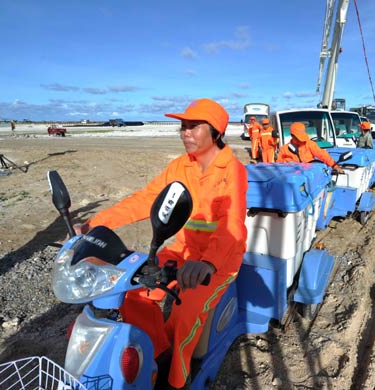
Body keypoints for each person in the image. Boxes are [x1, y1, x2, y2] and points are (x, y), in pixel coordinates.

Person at [74, 98, 248, 389]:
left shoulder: (232, 171)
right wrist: (96, 224)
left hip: (218, 260)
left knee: (184, 317)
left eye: (194, 126)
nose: (185, 132)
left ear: (216, 132)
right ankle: (156, 352)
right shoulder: (180, 166)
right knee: (132, 293)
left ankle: (177, 380)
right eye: (182, 126)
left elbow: (232, 226)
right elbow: (145, 199)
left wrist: (208, 263)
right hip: (183, 250)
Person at [277, 122, 344, 173]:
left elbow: (322, 155)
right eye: (298, 138)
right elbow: (277, 166)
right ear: (292, 136)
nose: (301, 140)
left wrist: (334, 166)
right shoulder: (284, 149)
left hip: (310, 176)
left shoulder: (309, 144)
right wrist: (289, 163)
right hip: (293, 179)